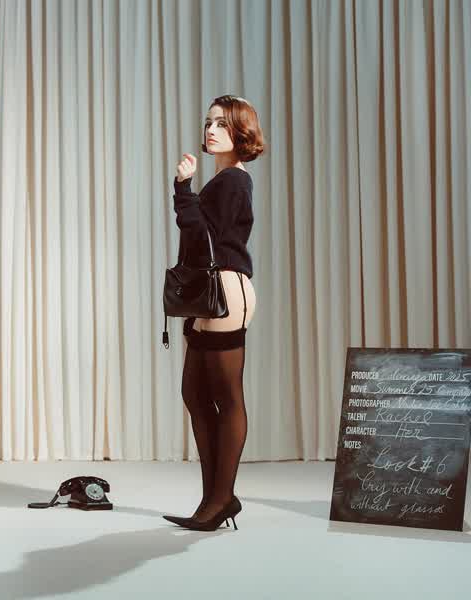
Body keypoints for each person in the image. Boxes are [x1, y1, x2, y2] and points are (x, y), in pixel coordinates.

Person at [163, 94, 266, 531]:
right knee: (195, 394)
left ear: (241, 133)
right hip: (211, 293)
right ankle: (214, 498)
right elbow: (199, 236)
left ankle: (221, 499)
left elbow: (199, 233)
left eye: (222, 124)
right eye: (208, 122)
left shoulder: (233, 182)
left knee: (227, 396)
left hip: (226, 292)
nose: (210, 130)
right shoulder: (225, 180)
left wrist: (182, 188)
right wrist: (186, 192)